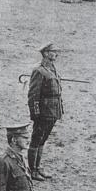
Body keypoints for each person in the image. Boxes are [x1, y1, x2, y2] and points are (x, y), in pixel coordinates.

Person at [27, 43, 64, 181]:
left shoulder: (52, 69)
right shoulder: (39, 71)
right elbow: (33, 95)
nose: (56, 54)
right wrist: (35, 114)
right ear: (46, 53)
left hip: (53, 111)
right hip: (43, 112)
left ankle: (37, 167)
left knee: (43, 139)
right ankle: (32, 170)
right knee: (36, 139)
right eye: (54, 52)